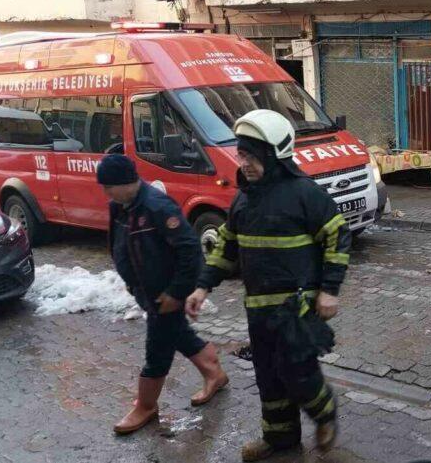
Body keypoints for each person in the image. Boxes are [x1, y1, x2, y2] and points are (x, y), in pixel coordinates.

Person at [184, 109, 349, 462]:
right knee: (269, 377)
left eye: (251, 156)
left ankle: (325, 415)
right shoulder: (245, 198)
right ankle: (281, 440)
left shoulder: (305, 193)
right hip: (259, 310)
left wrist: (330, 290)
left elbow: (337, 234)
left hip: (297, 308)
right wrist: (202, 287)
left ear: (275, 155)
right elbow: (227, 245)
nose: (244, 163)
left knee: (298, 373)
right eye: (241, 155)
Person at [99, 154, 228, 436]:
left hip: (167, 293)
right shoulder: (118, 206)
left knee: (157, 349)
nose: (105, 191)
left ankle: (145, 405)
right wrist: (131, 280)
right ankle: (214, 373)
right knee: (177, 332)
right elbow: (119, 244)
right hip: (146, 290)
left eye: (108, 185)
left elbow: (190, 250)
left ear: (125, 181)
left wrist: (176, 292)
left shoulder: (157, 205)